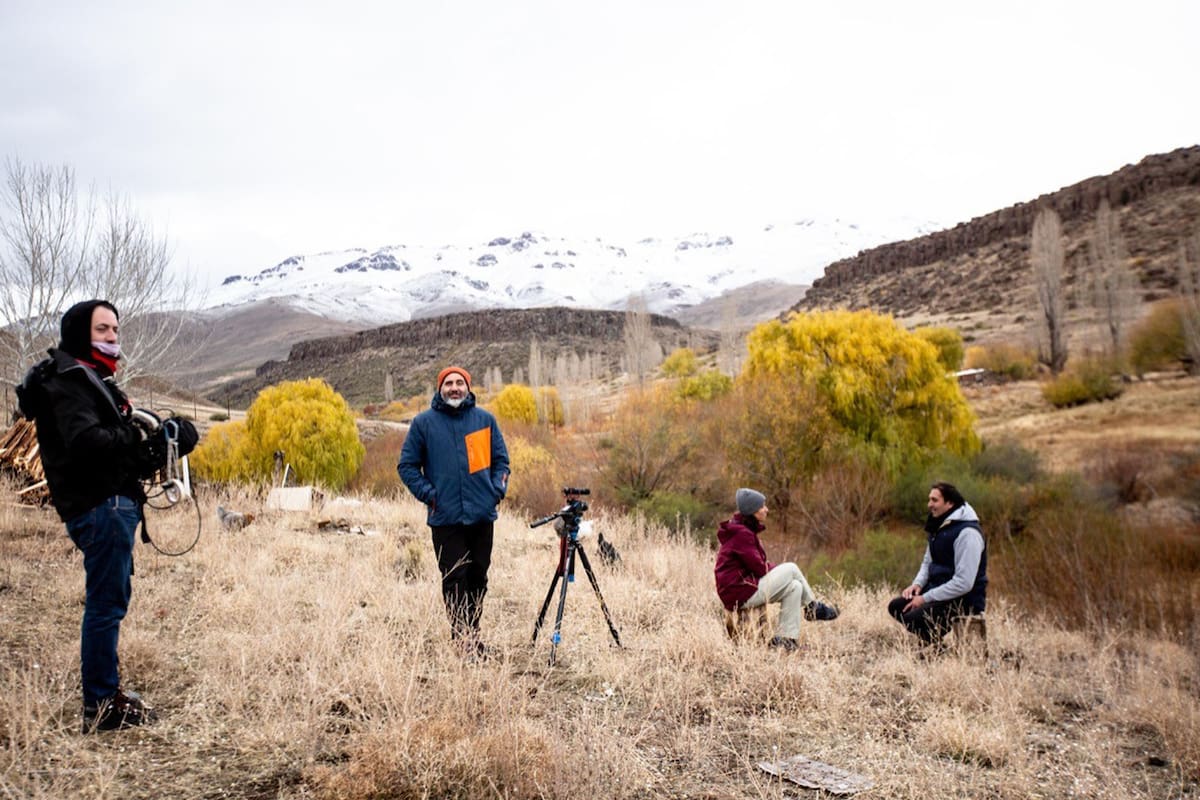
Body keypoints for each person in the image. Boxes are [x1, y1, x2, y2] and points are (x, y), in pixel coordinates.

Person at [16, 300, 194, 733]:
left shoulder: (87, 379)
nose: (113, 336)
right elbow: (87, 442)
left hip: (107, 504)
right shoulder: (69, 380)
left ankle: (105, 695)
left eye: (115, 328)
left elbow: (109, 445)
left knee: (108, 603)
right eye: (103, 328)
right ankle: (101, 705)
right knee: (105, 606)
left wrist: (159, 443)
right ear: (80, 332)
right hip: (101, 506)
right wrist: (139, 440)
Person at [398, 366, 510, 657]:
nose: (455, 388)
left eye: (460, 382)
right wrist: (430, 496)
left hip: (482, 515)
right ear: (440, 388)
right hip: (445, 517)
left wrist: (495, 492)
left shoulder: (484, 420)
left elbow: (502, 462)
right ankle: (462, 640)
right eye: (448, 383)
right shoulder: (424, 423)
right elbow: (407, 466)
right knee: (454, 577)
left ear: (469, 387)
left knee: (478, 576)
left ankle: (473, 632)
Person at [714, 488, 839, 653]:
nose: (766, 509)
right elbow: (760, 568)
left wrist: (773, 568)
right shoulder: (742, 534)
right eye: (762, 506)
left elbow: (759, 565)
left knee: (795, 586)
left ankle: (786, 640)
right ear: (752, 511)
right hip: (738, 593)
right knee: (791, 568)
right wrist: (777, 569)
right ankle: (813, 608)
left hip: (742, 588)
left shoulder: (742, 530)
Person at [887, 482, 987, 647]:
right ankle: (933, 644)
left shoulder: (968, 534)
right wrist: (917, 585)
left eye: (934, 500)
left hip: (963, 600)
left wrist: (925, 598)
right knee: (897, 606)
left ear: (949, 503)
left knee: (914, 617)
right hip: (938, 591)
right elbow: (928, 561)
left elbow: (964, 583)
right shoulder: (939, 526)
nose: (929, 505)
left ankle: (934, 647)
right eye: (929, 500)